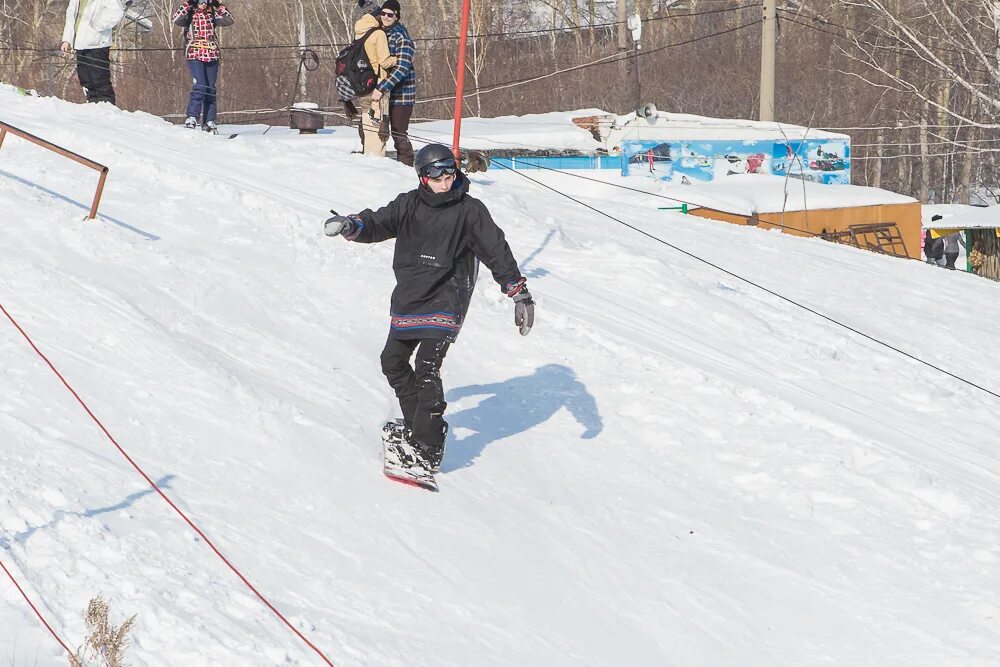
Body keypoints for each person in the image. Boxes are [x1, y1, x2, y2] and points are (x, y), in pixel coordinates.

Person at [322, 144, 535, 473]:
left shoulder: (470, 211)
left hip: (447, 297)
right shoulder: (409, 204)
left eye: (449, 170)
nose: (445, 179)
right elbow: (377, 222)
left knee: (426, 366)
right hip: (411, 295)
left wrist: (518, 292)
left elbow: (496, 250)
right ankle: (416, 425)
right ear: (423, 176)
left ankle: (428, 446)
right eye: (436, 173)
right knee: (391, 361)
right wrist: (352, 226)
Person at [172, 0, 234, 134]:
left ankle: (209, 120)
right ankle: (192, 116)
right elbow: (176, 19)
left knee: (210, 88)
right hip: (195, 52)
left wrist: (217, 5)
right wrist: (188, 3)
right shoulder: (190, 14)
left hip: (211, 53)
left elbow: (229, 20)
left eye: (205, 1)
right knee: (200, 85)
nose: (203, 4)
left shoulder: (211, 14)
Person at [351, 0, 398, 156]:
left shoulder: (359, 32)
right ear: (375, 15)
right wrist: (397, 59)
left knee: (368, 125)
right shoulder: (378, 34)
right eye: (380, 14)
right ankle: (377, 164)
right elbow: (384, 61)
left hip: (363, 86)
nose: (382, 17)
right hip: (378, 86)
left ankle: (368, 159)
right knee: (379, 134)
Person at [60, 0, 128, 105]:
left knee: (99, 81)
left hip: (97, 44)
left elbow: (117, 11)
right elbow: (71, 17)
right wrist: (67, 40)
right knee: (86, 80)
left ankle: (107, 108)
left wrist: (98, 25)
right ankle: (93, 106)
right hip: (80, 44)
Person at [374, 0, 416, 166]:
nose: (385, 17)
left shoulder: (401, 37)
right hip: (385, 95)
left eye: (389, 14)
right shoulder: (381, 33)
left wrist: (381, 87)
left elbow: (402, 68)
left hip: (402, 95)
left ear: (396, 16)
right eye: (383, 13)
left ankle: (406, 166)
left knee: (398, 133)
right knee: (375, 131)